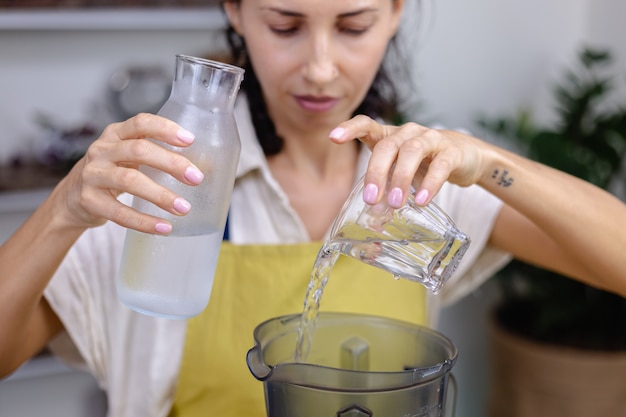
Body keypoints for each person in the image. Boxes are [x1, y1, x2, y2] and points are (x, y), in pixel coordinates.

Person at [1, 0, 625, 416]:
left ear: (396, 13)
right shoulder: (166, 185)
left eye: (352, 26)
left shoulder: (428, 181)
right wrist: (64, 208)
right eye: (285, 25)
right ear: (236, 11)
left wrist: (488, 163)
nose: (321, 68)